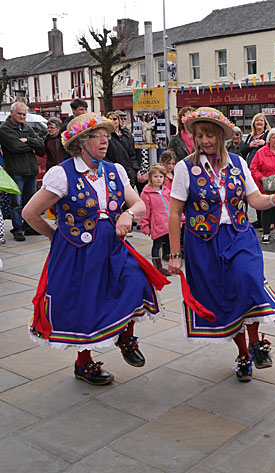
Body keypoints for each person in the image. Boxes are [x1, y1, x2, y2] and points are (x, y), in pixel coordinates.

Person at [21, 112, 163, 386]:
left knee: (135, 280)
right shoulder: (62, 174)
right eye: (96, 136)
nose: (104, 141)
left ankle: (126, 336)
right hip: (78, 250)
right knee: (84, 303)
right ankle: (83, 363)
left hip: (111, 243)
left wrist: (127, 214)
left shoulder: (114, 171)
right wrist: (57, 237)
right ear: (79, 142)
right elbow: (30, 213)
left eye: (106, 136)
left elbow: (138, 204)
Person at [168, 107, 275, 382]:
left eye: (209, 135)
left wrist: (274, 199)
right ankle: (242, 353)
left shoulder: (237, 163)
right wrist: (176, 254)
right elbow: (176, 212)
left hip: (239, 235)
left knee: (248, 280)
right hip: (203, 242)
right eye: (199, 135)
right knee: (226, 298)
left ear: (222, 136)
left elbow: (255, 200)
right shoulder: (184, 167)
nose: (204, 141)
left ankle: (256, 342)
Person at [0, 102, 44, 241]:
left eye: (24, 114)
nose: (22, 116)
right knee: (16, 204)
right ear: (11, 113)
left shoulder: (27, 128)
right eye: (19, 113)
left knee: (30, 202)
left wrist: (27, 140)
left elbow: (41, 144)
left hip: (31, 170)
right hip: (16, 171)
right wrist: (31, 145)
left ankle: (29, 227)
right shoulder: (4, 129)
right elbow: (14, 147)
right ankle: (17, 229)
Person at [140, 164, 172, 276]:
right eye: (155, 176)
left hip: (169, 224)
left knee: (170, 244)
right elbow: (144, 211)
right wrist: (144, 225)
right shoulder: (146, 194)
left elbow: (172, 206)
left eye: (160, 176)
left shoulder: (166, 191)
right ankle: (157, 266)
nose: (158, 179)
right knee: (157, 245)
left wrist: (181, 218)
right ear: (150, 178)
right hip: (158, 225)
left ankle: (169, 265)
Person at [240, 112, 271, 229]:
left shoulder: (268, 135)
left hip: (263, 170)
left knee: (263, 195)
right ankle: (259, 220)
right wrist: (250, 145)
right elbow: (243, 151)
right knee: (253, 194)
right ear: (253, 123)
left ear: (265, 123)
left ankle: (267, 222)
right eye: (257, 120)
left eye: (261, 120)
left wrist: (265, 144)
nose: (259, 122)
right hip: (250, 170)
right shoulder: (249, 136)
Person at [105, 111, 138, 187]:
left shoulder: (126, 135)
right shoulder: (106, 136)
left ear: (119, 120)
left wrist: (134, 171)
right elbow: (104, 156)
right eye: (109, 119)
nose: (112, 121)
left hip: (129, 173)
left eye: (114, 119)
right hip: (114, 173)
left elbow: (132, 155)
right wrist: (113, 168)